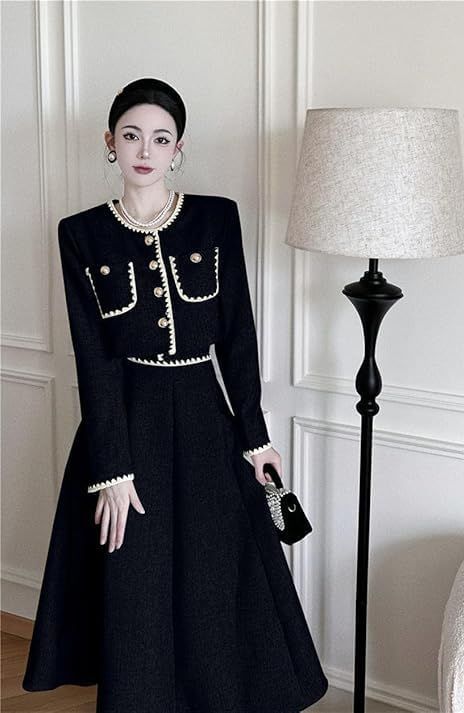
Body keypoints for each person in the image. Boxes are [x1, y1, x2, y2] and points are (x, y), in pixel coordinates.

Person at [22, 76, 329, 713]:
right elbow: (94, 359)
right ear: (110, 142)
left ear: (178, 148)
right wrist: (111, 469)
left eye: (161, 139)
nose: (145, 150)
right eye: (132, 135)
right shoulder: (81, 233)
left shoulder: (216, 219)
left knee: (212, 574)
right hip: (126, 424)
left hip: (205, 421)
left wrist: (256, 440)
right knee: (136, 577)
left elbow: (237, 336)